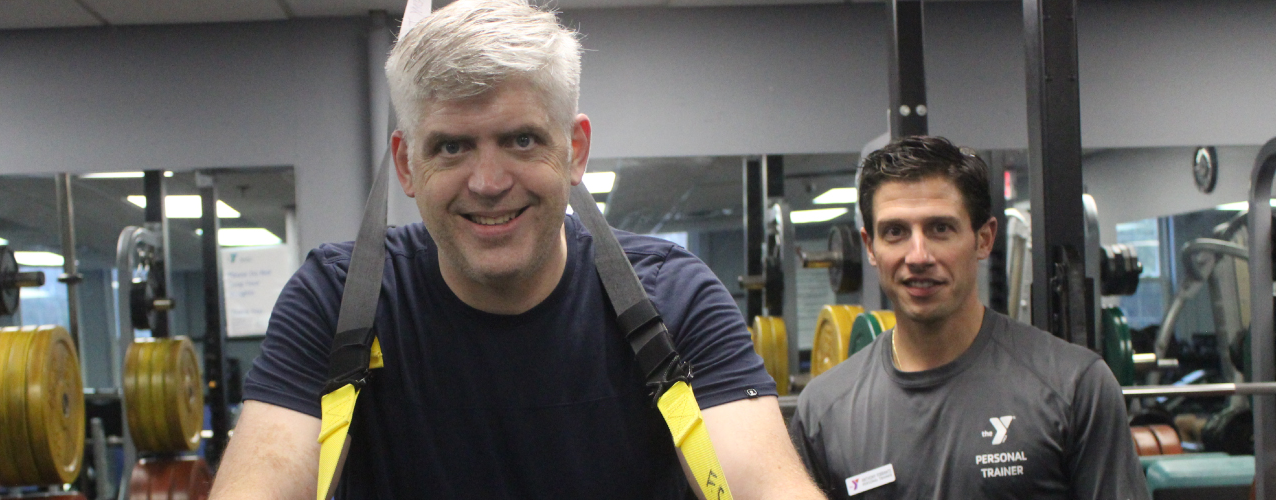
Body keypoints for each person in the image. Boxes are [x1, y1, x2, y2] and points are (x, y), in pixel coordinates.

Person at [208, 1, 822, 498]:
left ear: (575, 151)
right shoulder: (338, 299)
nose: (488, 182)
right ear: (407, 164)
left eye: (522, 140)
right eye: (451, 147)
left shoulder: (674, 300)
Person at [788, 136, 1148, 499]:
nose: (918, 256)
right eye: (895, 232)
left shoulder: (1074, 386)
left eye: (940, 228)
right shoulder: (824, 410)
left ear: (984, 239)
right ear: (870, 247)